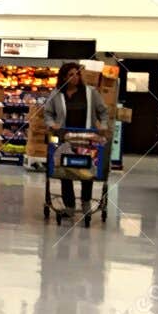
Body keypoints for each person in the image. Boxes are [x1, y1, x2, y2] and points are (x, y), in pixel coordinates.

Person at [41, 62, 110, 212]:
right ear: (64, 77)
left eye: (77, 74)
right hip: (64, 138)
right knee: (64, 170)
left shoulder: (90, 93)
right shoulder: (56, 94)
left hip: (85, 138)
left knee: (87, 170)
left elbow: (103, 111)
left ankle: (86, 202)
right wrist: (52, 124)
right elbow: (47, 113)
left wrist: (103, 126)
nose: (75, 77)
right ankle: (70, 205)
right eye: (71, 74)